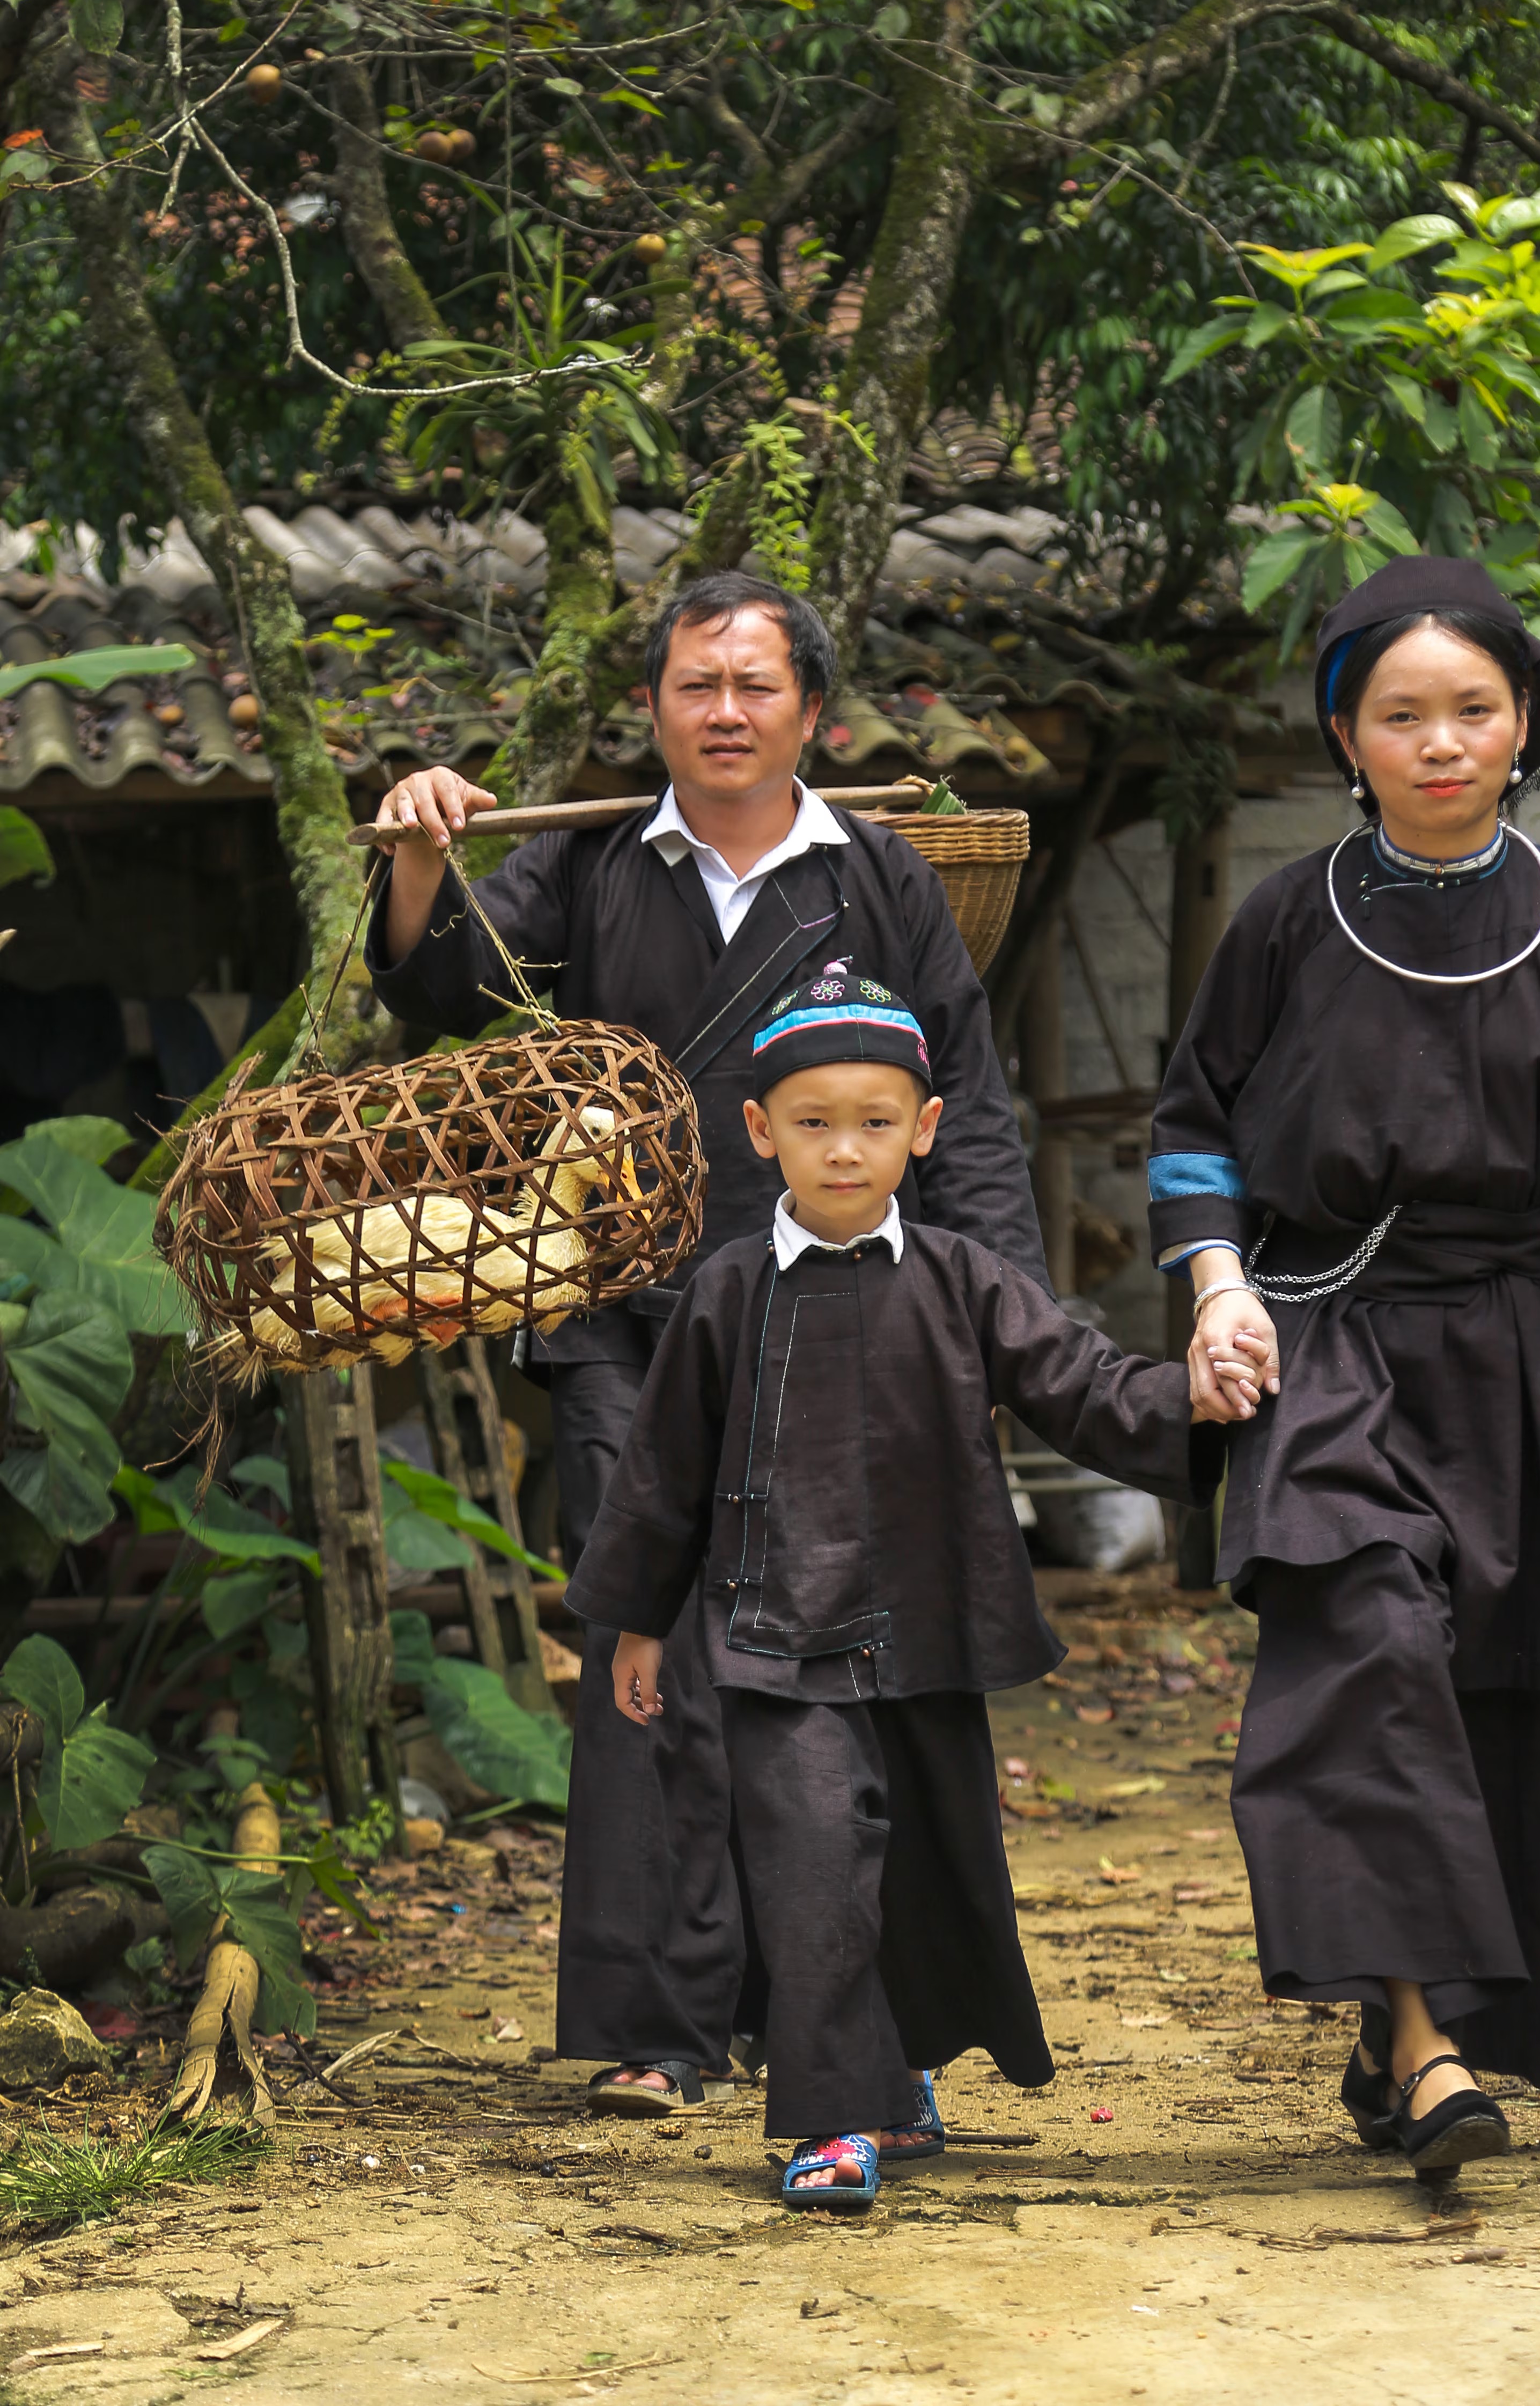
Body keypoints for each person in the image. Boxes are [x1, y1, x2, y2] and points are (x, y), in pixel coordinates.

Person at [365, 574, 1050, 2117]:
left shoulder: (877, 875)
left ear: (812, 710)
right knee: (640, 1658)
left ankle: (845, 2017)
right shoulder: (591, 862)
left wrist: (999, 1322)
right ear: (654, 709)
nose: (722, 711)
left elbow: (975, 1115)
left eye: (752, 686)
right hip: (624, 1323)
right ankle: (654, 2024)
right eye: (693, 686)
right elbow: (446, 986)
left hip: (844, 1325)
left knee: (846, 1667)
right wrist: (420, 861)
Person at [1148, 555, 1540, 2175]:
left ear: (1516, 723)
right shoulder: (1284, 921)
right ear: (1345, 734)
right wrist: (1214, 1292)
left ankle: (1400, 2019)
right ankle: (1422, 2048)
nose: (1436, 742)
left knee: (1480, 1705)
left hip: (1508, 1349)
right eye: (1396, 714)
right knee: (1362, 1651)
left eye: (1469, 710)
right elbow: (1193, 1129)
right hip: (1320, 1334)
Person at [567, 974, 1236, 2206]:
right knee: (814, 1864)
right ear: (758, 1129)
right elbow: (658, 1473)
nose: (844, 1147)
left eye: (876, 1120)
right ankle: (832, 2118)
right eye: (812, 1120)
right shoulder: (723, 1290)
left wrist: (1190, 1403)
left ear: (924, 1129)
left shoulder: (964, 1277)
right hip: (774, 1638)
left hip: (931, 1625)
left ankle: (900, 2071)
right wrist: (640, 1618)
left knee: (928, 1871)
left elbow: (1082, 1386)